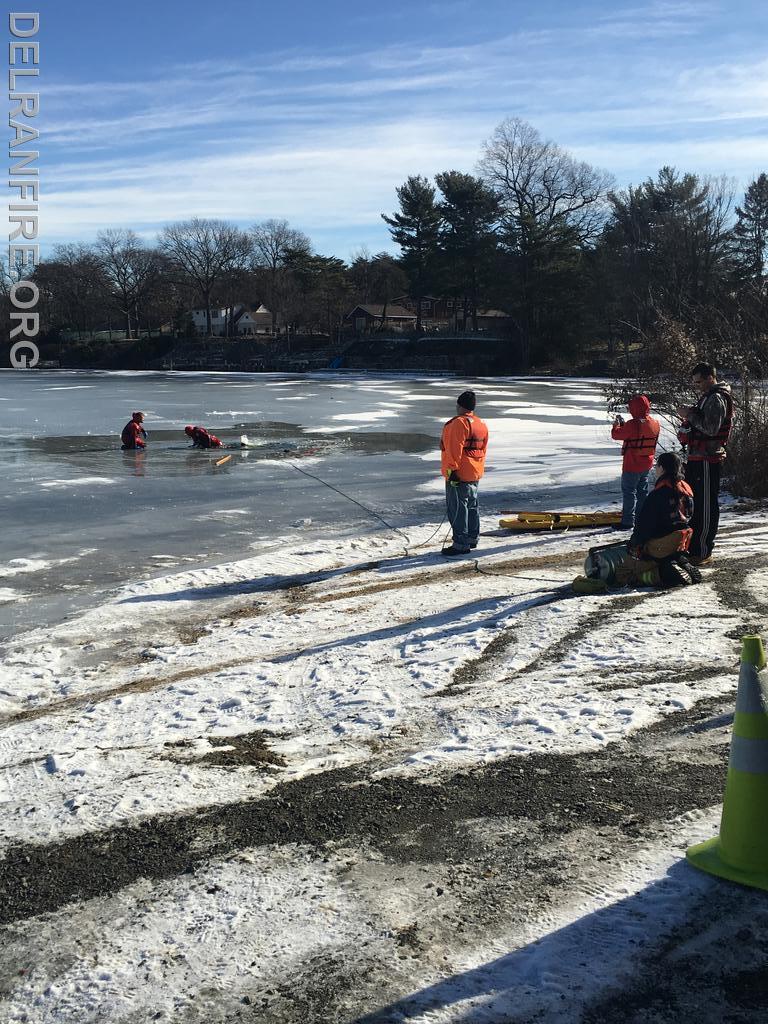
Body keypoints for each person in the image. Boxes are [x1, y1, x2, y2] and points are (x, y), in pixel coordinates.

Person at [676, 363, 733, 565]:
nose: (697, 386)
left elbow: (710, 428)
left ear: (711, 377)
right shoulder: (707, 397)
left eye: (699, 381)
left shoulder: (717, 398)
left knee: (706, 505)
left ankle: (703, 550)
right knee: (696, 505)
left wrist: (689, 415)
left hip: (709, 458)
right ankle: (693, 547)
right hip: (698, 458)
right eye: (695, 382)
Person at [439, 390, 489, 556]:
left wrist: (452, 471)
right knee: (472, 505)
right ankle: (472, 538)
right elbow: (483, 448)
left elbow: (454, 449)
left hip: (459, 473)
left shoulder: (458, 423)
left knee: (458, 508)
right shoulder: (480, 423)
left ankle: (461, 543)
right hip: (474, 471)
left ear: (460, 405)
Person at [610, 394, 660, 530]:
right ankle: (641, 519)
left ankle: (627, 521)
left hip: (632, 464)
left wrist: (616, 426)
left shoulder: (632, 424)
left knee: (629, 492)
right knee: (642, 492)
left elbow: (616, 435)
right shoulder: (655, 423)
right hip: (646, 464)